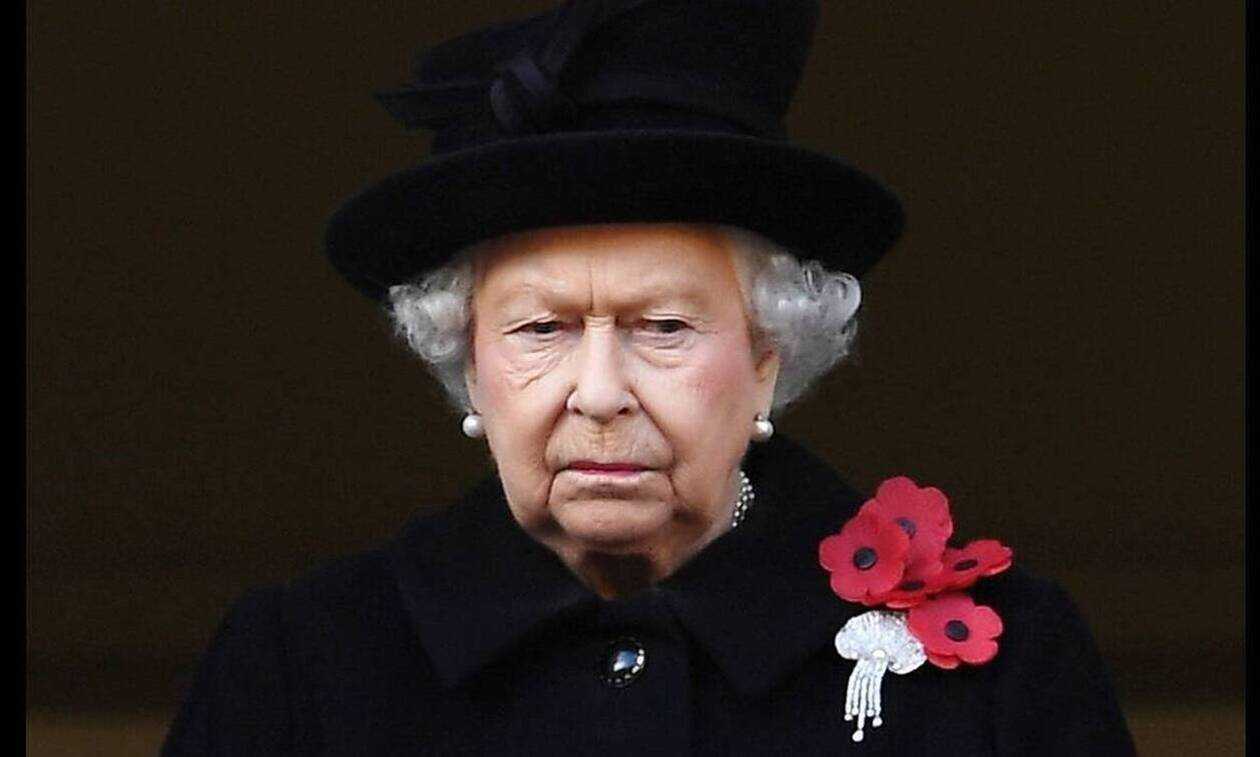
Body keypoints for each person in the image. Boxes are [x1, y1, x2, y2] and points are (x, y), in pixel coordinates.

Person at [162, 1, 1135, 754]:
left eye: (663, 327)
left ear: (768, 357)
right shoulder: (300, 668)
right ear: (470, 367)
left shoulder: (1003, 673)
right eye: (540, 329)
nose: (598, 392)